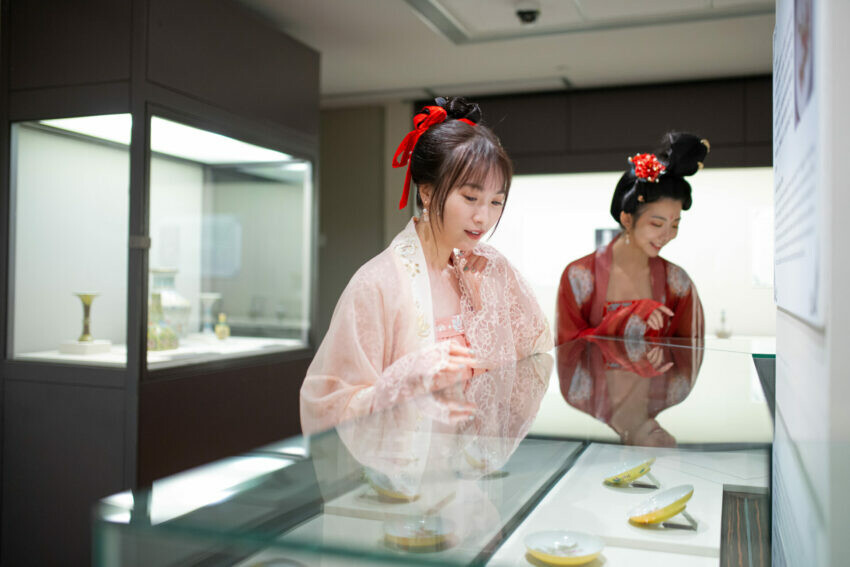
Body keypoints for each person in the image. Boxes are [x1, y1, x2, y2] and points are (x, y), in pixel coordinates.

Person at [300, 97, 552, 434]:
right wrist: (401, 383)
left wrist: (488, 308)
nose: (484, 217)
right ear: (428, 192)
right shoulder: (378, 284)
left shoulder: (490, 269)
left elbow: (535, 354)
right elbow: (327, 406)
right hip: (410, 465)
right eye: (471, 198)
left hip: (473, 462)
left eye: (496, 201)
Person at [556, 132, 707, 344]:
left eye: (675, 225)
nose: (668, 235)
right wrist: (627, 316)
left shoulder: (678, 283)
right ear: (627, 219)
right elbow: (566, 347)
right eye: (656, 224)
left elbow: (691, 351)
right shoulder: (578, 277)